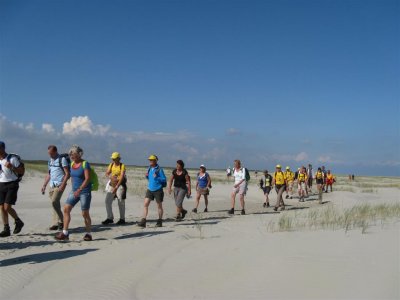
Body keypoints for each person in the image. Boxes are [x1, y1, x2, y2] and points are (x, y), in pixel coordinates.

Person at [55, 145, 93, 241]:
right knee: (66, 209)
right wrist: (73, 189)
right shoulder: (72, 165)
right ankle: (65, 233)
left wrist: (79, 189)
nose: (71, 156)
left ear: (79, 154)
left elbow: (87, 179)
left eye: (73, 153)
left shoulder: (85, 164)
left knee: (85, 213)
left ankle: (88, 234)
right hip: (74, 191)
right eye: (70, 154)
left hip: (84, 191)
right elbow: (72, 177)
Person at [41, 145, 70, 230]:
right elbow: (49, 174)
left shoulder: (62, 159)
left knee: (54, 202)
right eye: (48, 153)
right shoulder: (50, 161)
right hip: (51, 185)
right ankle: (55, 223)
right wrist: (44, 185)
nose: (49, 155)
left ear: (55, 151)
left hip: (59, 185)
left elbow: (67, 173)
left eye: (51, 153)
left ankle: (62, 221)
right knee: (55, 205)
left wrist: (63, 184)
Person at [0, 141, 25, 237]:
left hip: (12, 184)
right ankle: (6, 228)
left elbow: (21, 171)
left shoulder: (12, 158)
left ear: (3, 148)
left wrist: (12, 167)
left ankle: (18, 221)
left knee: (7, 207)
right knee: (1, 207)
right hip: (1, 184)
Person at [138, 155, 167, 228]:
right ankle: (143, 221)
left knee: (159, 206)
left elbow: (164, 180)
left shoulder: (160, 169)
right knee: (145, 204)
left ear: (155, 161)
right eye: (149, 160)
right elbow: (150, 179)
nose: (150, 161)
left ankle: (159, 221)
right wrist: (147, 176)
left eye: (151, 160)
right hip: (150, 189)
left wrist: (157, 177)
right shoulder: (149, 168)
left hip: (158, 189)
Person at [102, 152, 127, 225]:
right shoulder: (111, 165)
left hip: (120, 185)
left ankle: (122, 219)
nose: (113, 160)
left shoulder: (122, 166)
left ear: (118, 158)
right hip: (112, 184)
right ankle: (110, 218)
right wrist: (110, 177)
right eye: (112, 158)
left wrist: (117, 187)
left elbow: (122, 177)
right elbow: (107, 173)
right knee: (107, 201)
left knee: (121, 202)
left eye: (114, 158)